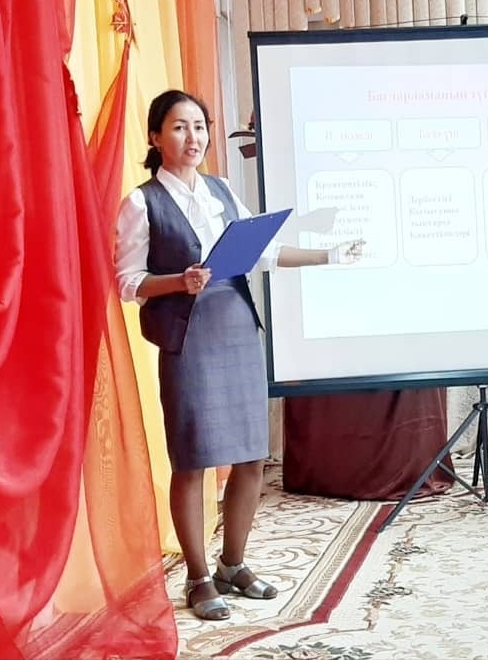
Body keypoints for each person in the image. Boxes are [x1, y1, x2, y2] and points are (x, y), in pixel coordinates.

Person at [114, 89, 362, 620]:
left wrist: (329, 255)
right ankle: (198, 576)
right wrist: (178, 281)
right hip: (188, 339)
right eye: (179, 127)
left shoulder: (222, 190)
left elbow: (262, 252)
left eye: (200, 126)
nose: (193, 137)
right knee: (194, 458)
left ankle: (233, 564)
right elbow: (127, 282)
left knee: (251, 456)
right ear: (155, 137)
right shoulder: (141, 202)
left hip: (237, 329)